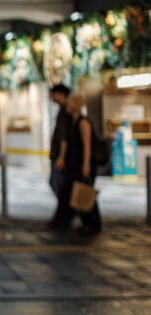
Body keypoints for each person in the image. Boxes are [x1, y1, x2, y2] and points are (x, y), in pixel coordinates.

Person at [55, 94, 102, 235]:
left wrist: (86, 165)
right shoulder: (73, 122)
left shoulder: (83, 123)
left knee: (85, 193)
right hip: (74, 164)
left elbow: (87, 146)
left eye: (69, 105)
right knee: (72, 192)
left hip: (83, 165)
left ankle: (93, 224)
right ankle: (70, 221)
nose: (67, 107)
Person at [48, 84, 73, 229]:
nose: (51, 97)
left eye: (53, 94)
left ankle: (65, 215)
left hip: (61, 157)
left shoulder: (65, 113)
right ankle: (63, 215)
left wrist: (62, 157)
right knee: (60, 186)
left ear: (61, 94)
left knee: (60, 185)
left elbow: (64, 138)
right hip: (59, 156)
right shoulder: (63, 111)